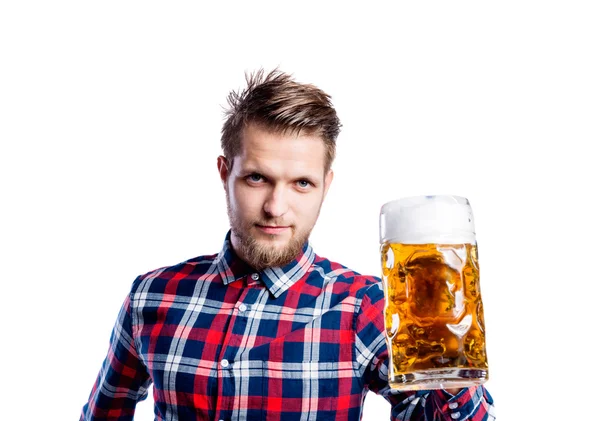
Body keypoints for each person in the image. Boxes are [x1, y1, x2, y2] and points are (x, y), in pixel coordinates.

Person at [80, 69, 495, 421]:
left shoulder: (364, 306)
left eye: (301, 183)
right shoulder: (152, 295)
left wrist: (452, 359)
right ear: (225, 172)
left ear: (325, 186)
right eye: (257, 178)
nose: (276, 207)